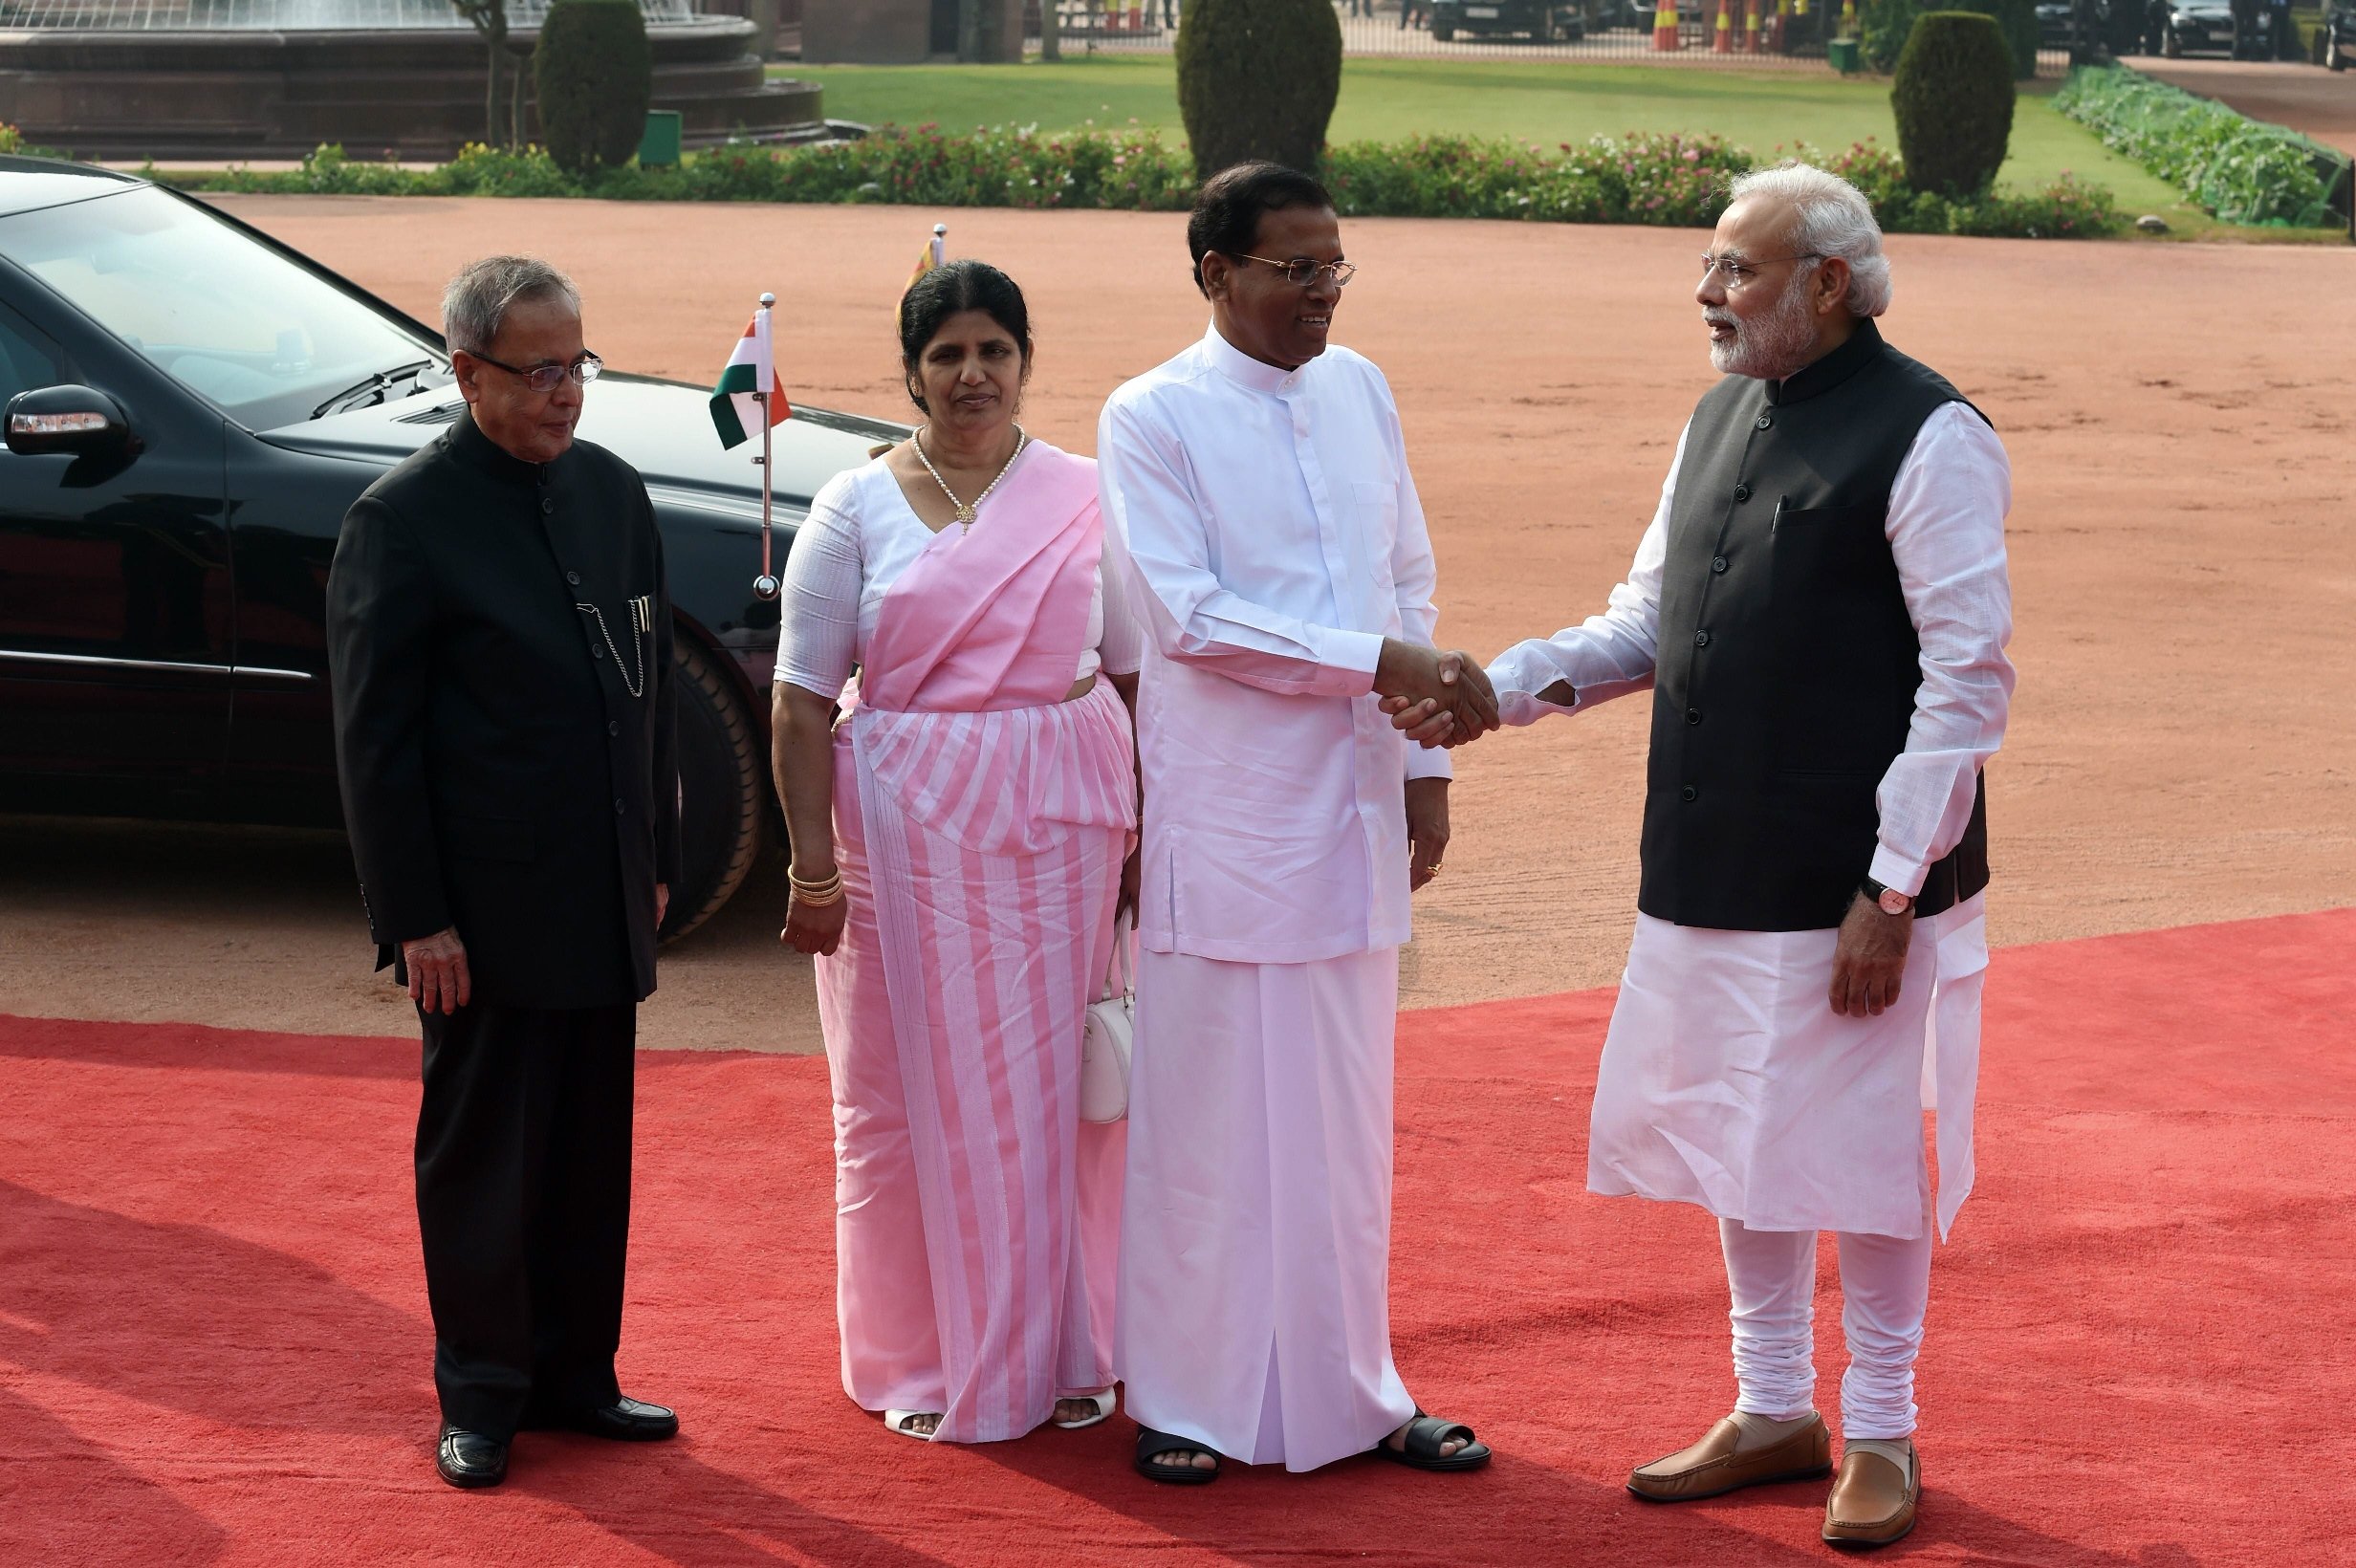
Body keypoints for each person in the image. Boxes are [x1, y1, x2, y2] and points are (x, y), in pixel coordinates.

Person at [1394, 163, 2012, 1547]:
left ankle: (1884, 1430)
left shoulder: (1933, 437)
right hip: (1713, 854)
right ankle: (1774, 1403)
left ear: (1828, 285)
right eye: (1713, 266)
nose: (1707, 293)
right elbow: (1649, 621)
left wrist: (1892, 887)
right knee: (1745, 1139)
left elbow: (1967, 682)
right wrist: (1503, 685)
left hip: (1858, 883)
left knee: (1861, 1156)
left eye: (1736, 269)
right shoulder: (1720, 414)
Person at [1097, 161, 1499, 1486]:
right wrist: (1378, 660)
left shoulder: (1360, 388)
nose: (1321, 291)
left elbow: (1407, 565)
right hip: (1228, 813)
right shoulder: (1150, 415)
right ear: (1216, 273)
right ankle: (1186, 1400)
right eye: (1294, 268)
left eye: (1335, 266)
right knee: (1210, 1124)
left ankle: (1354, 1396)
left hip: (1351, 803)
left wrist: (1422, 765)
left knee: (1341, 1126)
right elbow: (1193, 620)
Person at [326, 256, 682, 1491]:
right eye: (537, 371)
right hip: (475, 916)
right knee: (483, 1160)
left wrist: (658, 858)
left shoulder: (614, 496)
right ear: (467, 373)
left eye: (576, 364)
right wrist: (415, 917)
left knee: (591, 1151)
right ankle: (480, 1395)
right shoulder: (401, 523)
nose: (564, 393)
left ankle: (577, 1376)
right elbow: (376, 748)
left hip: (600, 892)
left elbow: (649, 700)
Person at [771, 260, 1140, 1446]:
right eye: (947, 355)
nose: (972, 374)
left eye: (993, 349)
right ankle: (923, 1353)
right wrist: (811, 868)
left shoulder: (1093, 494)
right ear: (912, 372)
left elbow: (1133, 670)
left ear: (1025, 359)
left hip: (1065, 826)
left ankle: (1070, 1343)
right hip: (897, 843)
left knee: (1060, 1094)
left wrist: (1154, 828)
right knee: (895, 1094)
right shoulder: (852, 504)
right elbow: (796, 699)